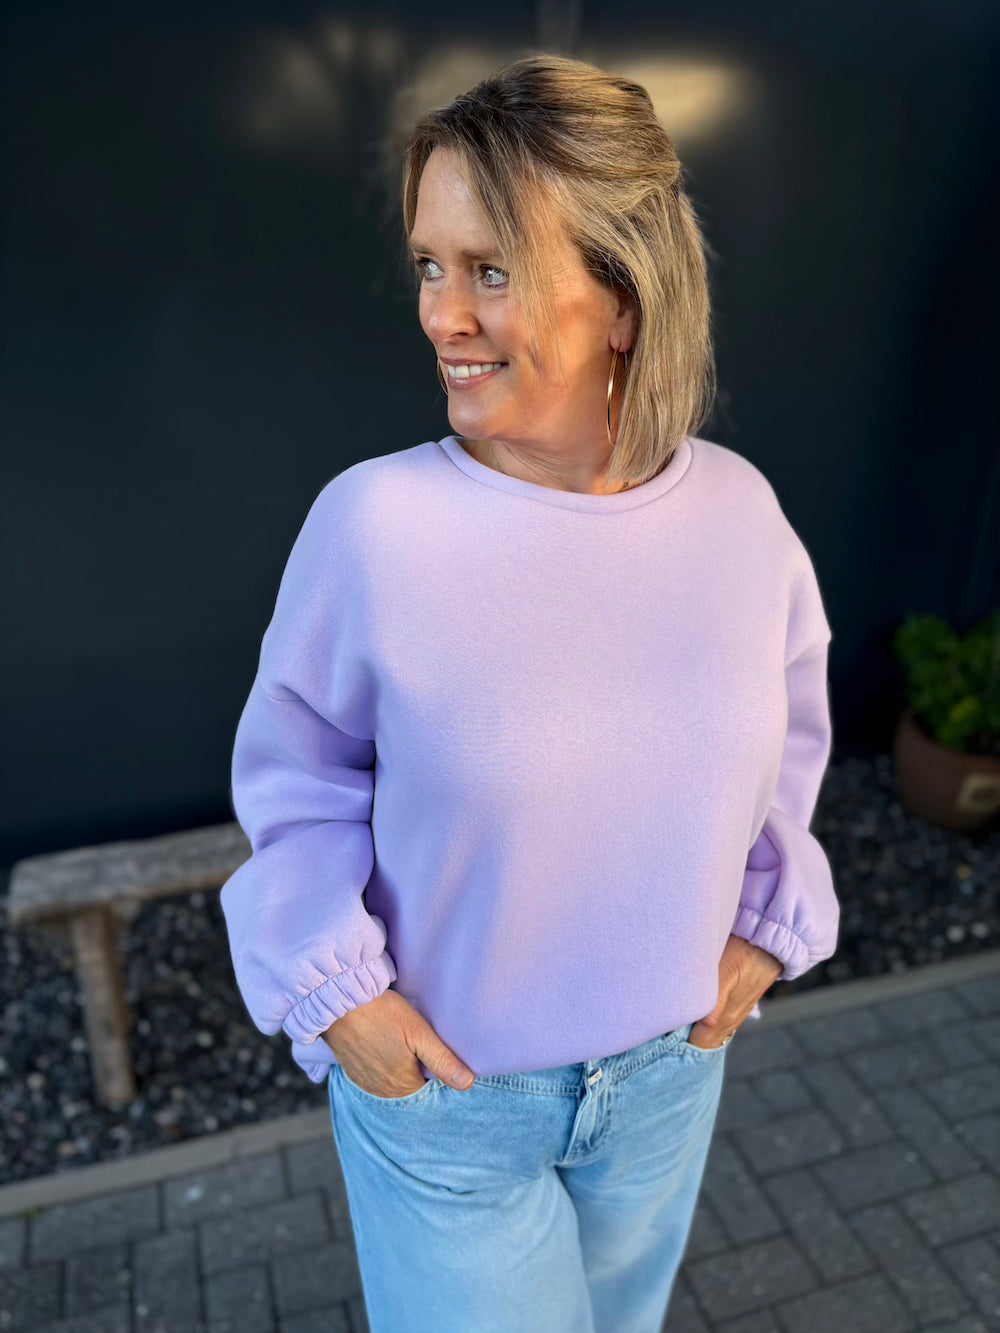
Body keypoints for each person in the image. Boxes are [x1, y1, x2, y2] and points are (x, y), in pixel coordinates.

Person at [220, 53, 839, 1333]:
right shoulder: (375, 527)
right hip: (452, 1097)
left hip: (670, 1076)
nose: (442, 314)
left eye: (489, 270)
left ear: (624, 297)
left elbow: (785, 738)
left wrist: (768, 923)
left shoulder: (741, 514)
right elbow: (297, 779)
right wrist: (342, 999)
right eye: (429, 265)